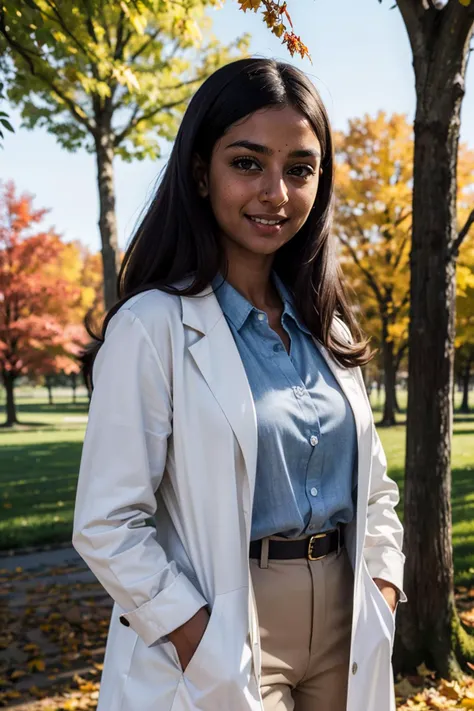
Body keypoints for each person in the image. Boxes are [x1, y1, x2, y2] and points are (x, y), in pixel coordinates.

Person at [73, 57, 406, 711]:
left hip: (349, 620)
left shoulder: (325, 326)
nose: (276, 192)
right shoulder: (152, 327)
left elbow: (376, 490)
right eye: (248, 163)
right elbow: (108, 523)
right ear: (202, 173)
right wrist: (200, 642)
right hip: (227, 625)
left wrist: (383, 587)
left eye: (300, 169)